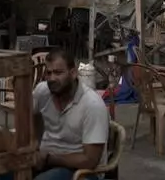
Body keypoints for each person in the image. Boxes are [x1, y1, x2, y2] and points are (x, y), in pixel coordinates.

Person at [28, 48, 110, 180]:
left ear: (73, 73)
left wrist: (49, 158)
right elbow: (31, 117)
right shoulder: (42, 92)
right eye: (48, 73)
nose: (52, 78)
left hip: (82, 171)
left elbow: (90, 161)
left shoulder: (92, 105)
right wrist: (35, 145)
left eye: (58, 73)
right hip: (46, 162)